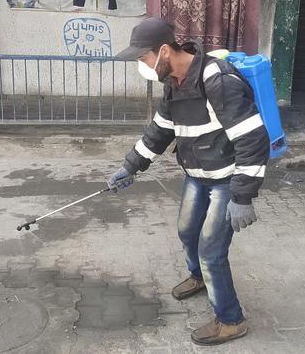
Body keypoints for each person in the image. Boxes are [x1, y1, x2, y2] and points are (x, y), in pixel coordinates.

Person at [107, 18, 270, 346]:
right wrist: (130, 166)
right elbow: (159, 130)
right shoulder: (174, 84)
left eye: (143, 58)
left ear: (164, 51)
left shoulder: (218, 81)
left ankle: (231, 320)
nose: (143, 66)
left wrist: (243, 197)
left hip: (226, 180)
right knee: (187, 232)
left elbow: (253, 139)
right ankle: (200, 278)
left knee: (211, 250)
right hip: (197, 175)